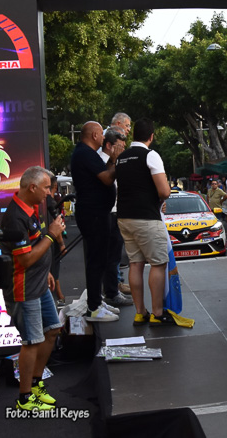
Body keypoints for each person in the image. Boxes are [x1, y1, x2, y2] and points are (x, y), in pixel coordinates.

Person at [1, 166, 66, 411]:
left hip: (39, 284)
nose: (49, 193)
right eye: (46, 188)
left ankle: (37, 384)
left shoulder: (30, 209)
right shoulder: (15, 217)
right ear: (32, 187)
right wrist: (51, 236)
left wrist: (46, 270)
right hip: (24, 288)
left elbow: (34, 247)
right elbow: (25, 260)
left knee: (53, 330)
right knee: (31, 341)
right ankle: (25, 397)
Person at [115, 119, 174, 327]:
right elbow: (164, 191)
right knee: (158, 264)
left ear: (133, 135)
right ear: (151, 136)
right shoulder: (151, 155)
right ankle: (157, 313)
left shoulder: (121, 158)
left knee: (135, 264)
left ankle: (140, 313)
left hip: (124, 217)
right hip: (146, 217)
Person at [71, 121, 123, 322]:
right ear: (94, 135)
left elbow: (105, 174)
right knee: (96, 260)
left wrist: (111, 161)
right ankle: (93, 308)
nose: (103, 137)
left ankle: (96, 301)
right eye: (101, 134)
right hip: (93, 214)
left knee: (100, 259)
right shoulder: (85, 153)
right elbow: (107, 179)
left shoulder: (89, 153)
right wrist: (116, 160)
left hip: (98, 212)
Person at [98, 128, 133, 307]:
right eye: (120, 147)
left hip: (116, 212)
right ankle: (111, 292)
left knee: (114, 255)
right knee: (109, 256)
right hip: (106, 213)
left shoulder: (116, 161)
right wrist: (114, 160)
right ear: (109, 145)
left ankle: (112, 289)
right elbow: (106, 180)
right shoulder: (101, 161)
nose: (122, 150)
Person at [45, 172, 67, 307]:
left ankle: (58, 295)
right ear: (55, 187)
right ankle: (58, 295)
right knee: (54, 268)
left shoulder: (46, 201)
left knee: (52, 268)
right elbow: (56, 225)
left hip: (47, 239)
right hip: (52, 241)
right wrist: (62, 244)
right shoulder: (50, 202)